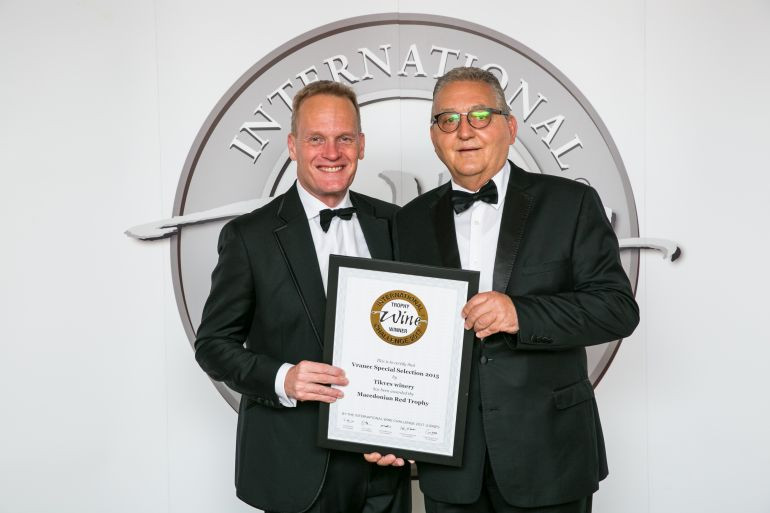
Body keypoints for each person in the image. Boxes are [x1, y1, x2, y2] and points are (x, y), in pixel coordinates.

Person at [367, 67, 639, 512]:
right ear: (434, 137)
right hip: (450, 465)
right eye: (448, 120)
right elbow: (399, 334)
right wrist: (387, 424)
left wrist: (520, 314)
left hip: (549, 455)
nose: (464, 131)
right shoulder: (409, 221)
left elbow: (616, 309)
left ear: (509, 127)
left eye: (479, 115)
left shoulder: (570, 204)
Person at [195, 80, 410, 513]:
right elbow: (213, 345)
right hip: (293, 468)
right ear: (293, 146)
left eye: (343, 138)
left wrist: (408, 432)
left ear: (361, 145)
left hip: (382, 471)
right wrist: (283, 379)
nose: (331, 152)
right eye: (316, 139)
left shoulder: (398, 224)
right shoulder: (249, 236)